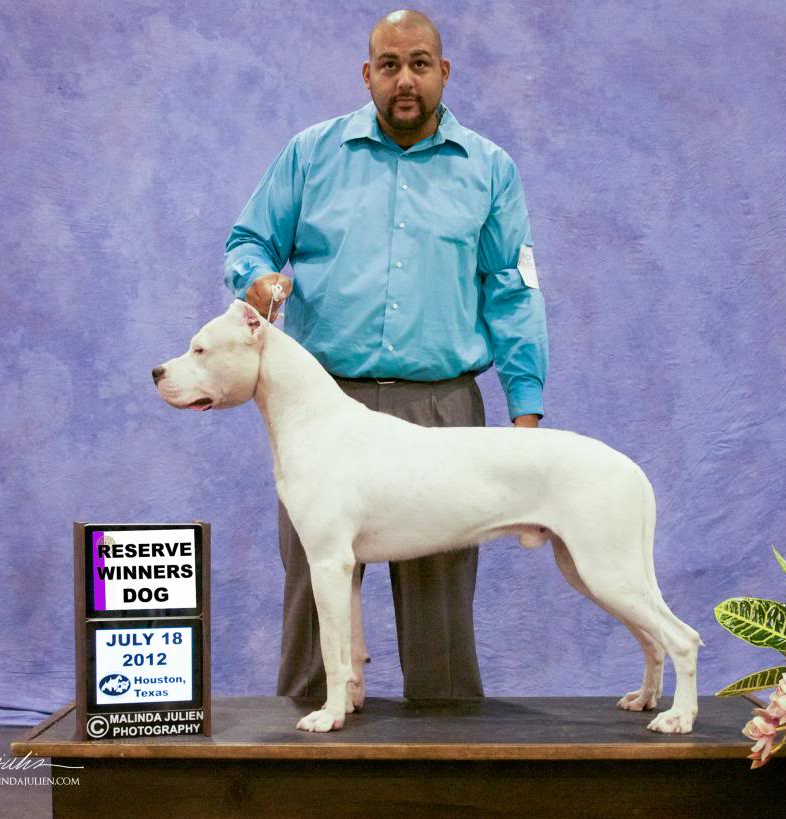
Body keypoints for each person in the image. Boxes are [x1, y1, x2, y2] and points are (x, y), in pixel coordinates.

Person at [224, 9, 548, 700]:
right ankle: (307, 734)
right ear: (367, 73)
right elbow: (246, 242)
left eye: (421, 63)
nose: (406, 80)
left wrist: (525, 412)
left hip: (443, 404)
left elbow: (512, 296)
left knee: (441, 609)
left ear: (444, 73)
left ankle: (445, 755)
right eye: (391, 64)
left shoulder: (489, 169)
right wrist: (253, 277)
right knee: (315, 586)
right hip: (321, 406)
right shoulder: (310, 154)